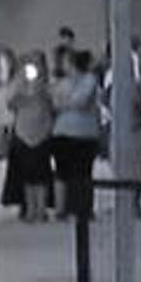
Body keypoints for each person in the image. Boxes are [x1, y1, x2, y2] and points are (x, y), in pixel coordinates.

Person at [50, 50, 101, 219]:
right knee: (63, 172)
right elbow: (54, 103)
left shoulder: (90, 80)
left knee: (83, 172)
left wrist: (66, 102)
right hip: (62, 132)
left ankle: (83, 208)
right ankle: (62, 208)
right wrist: (68, 102)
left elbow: (82, 101)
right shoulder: (61, 83)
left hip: (85, 133)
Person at [4, 51, 53, 222]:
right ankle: (30, 208)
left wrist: (40, 92)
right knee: (27, 176)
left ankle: (41, 209)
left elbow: (53, 103)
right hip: (23, 133)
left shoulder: (46, 85)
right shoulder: (19, 85)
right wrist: (21, 88)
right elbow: (9, 103)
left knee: (41, 175)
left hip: (42, 133)